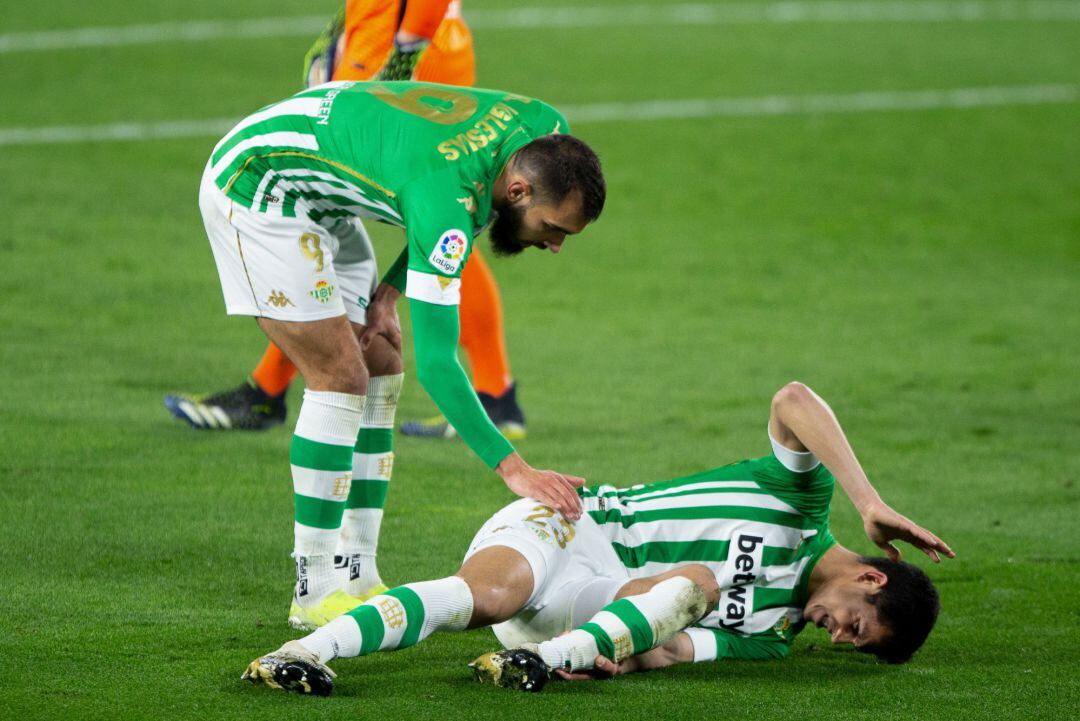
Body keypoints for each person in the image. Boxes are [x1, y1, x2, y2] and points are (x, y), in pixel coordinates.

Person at [196, 79, 605, 630]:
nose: (556, 246)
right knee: (339, 376)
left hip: (324, 189)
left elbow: (465, 198)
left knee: (383, 358)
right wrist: (514, 469)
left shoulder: (544, 130)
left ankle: (358, 572)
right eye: (553, 229)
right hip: (258, 184)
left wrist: (387, 294)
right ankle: (313, 590)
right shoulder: (444, 198)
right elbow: (440, 363)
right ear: (519, 192)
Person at [241, 382, 955, 695]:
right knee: (488, 595)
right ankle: (302, 653)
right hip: (569, 522)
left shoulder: (771, 632)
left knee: (698, 588)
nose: (834, 638)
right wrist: (868, 498)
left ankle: (540, 664)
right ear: (871, 578)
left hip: (589, 611)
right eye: (857, 629)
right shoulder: (802, 497)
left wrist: (619, 656)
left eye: (849, 645)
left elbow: (675, 645)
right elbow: (794, 399)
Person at [165, 0, 527, 439]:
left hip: (402, 44)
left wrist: (403, 56)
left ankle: (268, 390)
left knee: (356, 206)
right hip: (403, 35)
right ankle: (494, 393)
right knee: (428, 218)